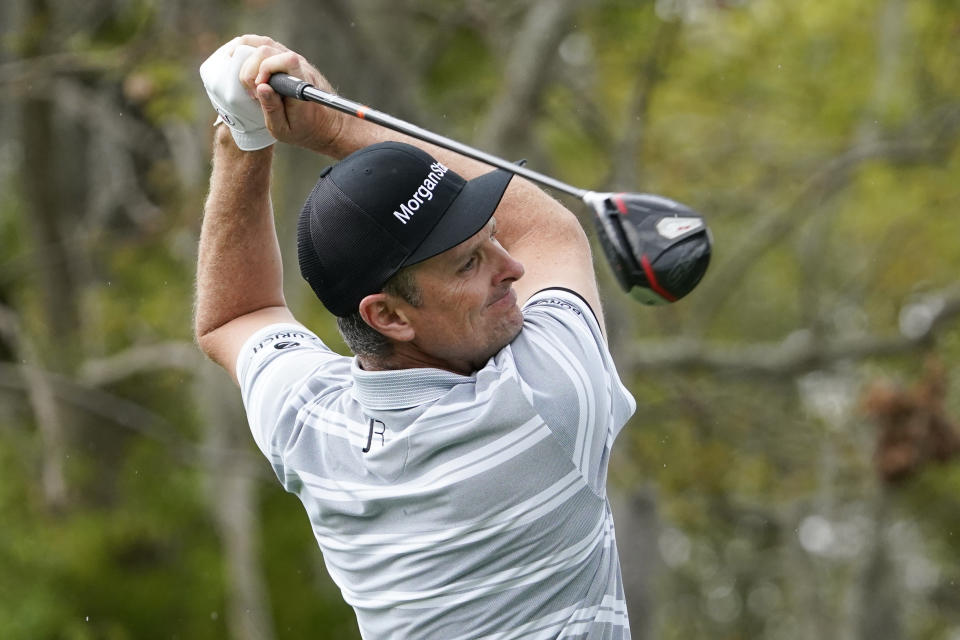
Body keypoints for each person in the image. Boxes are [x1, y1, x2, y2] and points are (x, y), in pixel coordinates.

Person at [195, 34, 637, 639]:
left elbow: (235, 315)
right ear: (390, 317)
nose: (511, 268)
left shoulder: (311, 424)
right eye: (469, 263)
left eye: (490, 239)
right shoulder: (543, 403)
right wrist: (330, 125)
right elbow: (550, 233)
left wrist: (242, 138)